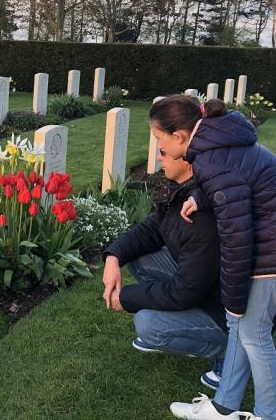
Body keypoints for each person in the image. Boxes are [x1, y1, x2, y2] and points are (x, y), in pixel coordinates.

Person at [149, 95, 276, 420]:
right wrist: (202, 197)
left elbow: (235, 239)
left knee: (253, 333)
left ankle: (267, 415)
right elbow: (238, 178)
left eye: (159, 139)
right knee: (240, 326)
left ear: (178, 136)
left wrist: (233, 299)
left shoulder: (210, 159)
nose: (159, 149)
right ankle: (222, 407)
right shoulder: (214, 145)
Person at [102, 145, 227, 390]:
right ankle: (184, 321)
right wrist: (113, 256)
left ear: (188, 161)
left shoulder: (202, 215)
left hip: (223, 312)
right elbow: (151, 229)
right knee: (139, 257)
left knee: (149, 325)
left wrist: (125, 298)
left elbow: (184, 292)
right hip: (201, 285)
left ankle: (228, 354)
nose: (159, 156)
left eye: (164, 150)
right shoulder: (183, 191)